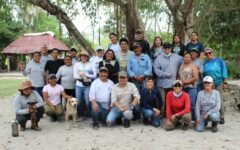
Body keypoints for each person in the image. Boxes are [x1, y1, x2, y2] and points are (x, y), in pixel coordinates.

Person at [154, 42, 183, 116]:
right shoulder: (159, 57)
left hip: (173, 84)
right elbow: (156, 70)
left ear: (171, 48)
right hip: (161, 84)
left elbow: (186, 60)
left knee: (172, 101)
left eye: (169, 48)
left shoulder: (177, 57)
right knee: (162, 101)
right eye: (165, 48)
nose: (167, 49)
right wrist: (166, 74)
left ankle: (170, 116)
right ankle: (161, 115)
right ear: (163, 48)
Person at [204, 48, 228, 124]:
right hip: (209, 84)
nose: (208, 54)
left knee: (219, 100)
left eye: (209, 53)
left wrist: (225, 82)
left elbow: (224, 70)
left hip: (218, 82)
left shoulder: (219, 60)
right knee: (209, 100)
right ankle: (211, 116)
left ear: (213, 53)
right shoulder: (205, 63)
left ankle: (221, 117)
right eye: (206, 54)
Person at [73, 50, 96, 117]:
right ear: (80, 57)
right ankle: (82, 114)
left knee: (87, 101)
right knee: (79, 101)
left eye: (85, 56)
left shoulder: (91, 64)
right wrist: (82, 76)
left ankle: (89, 114)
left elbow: (94, 75)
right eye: (82, 56)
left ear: (87, 57)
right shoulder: (77, 64)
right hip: (79, 85)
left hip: (88, 85)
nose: (84, 57)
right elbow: (74, 76)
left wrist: (85, 74)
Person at [178, 53, 198, 120]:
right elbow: (179, 76)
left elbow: (196, 77)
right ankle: (185, 118)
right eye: (185, 57)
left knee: (192, 103)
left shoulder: (193, 66)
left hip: (191, 87)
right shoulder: (181, 65)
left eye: (188, 57)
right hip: (182, 87)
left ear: (190, 58)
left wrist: (188, 82)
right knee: (183, 104)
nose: (186, 58)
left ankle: (194, 118)